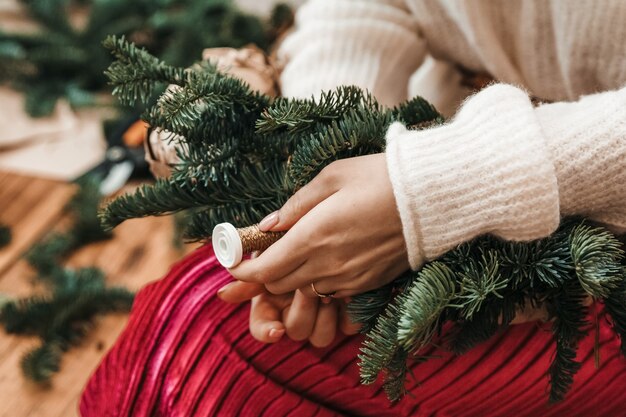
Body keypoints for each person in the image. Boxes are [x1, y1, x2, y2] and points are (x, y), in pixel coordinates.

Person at [80, 1, 626, 416]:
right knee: (198, 309)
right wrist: (331, 157)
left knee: (209, 345)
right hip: (469, 168)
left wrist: (432, 187)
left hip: (598, 252)